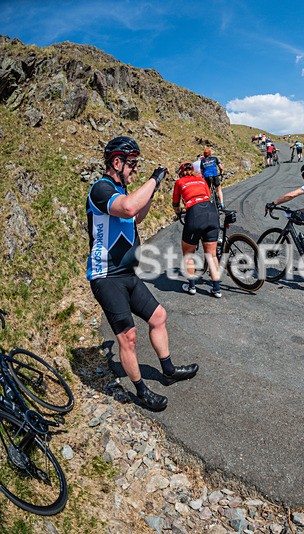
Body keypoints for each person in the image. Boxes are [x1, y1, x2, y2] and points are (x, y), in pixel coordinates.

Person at [86, 136, 198, 411]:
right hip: (106, 277)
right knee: (128, 336)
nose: (135, 169)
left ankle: (168, 371)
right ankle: (141, 391)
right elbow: (128, 208)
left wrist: (152, 190)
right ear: (117, 162)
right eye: (132, 163)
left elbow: (135, 217)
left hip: (128, 274)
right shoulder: (101, 189)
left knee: (158, 316)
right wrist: (154, 179)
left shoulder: (120, 191)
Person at [172, 162, 222, 298]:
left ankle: (191, 286)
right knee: (212, 255)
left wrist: (178, 211)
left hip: (194, 213)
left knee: (188, 253)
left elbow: (175, 203)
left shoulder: (179, 182)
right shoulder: (200, 179)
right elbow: (209, 196)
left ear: (181, 172)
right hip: (211, 212)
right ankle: (217, 289)